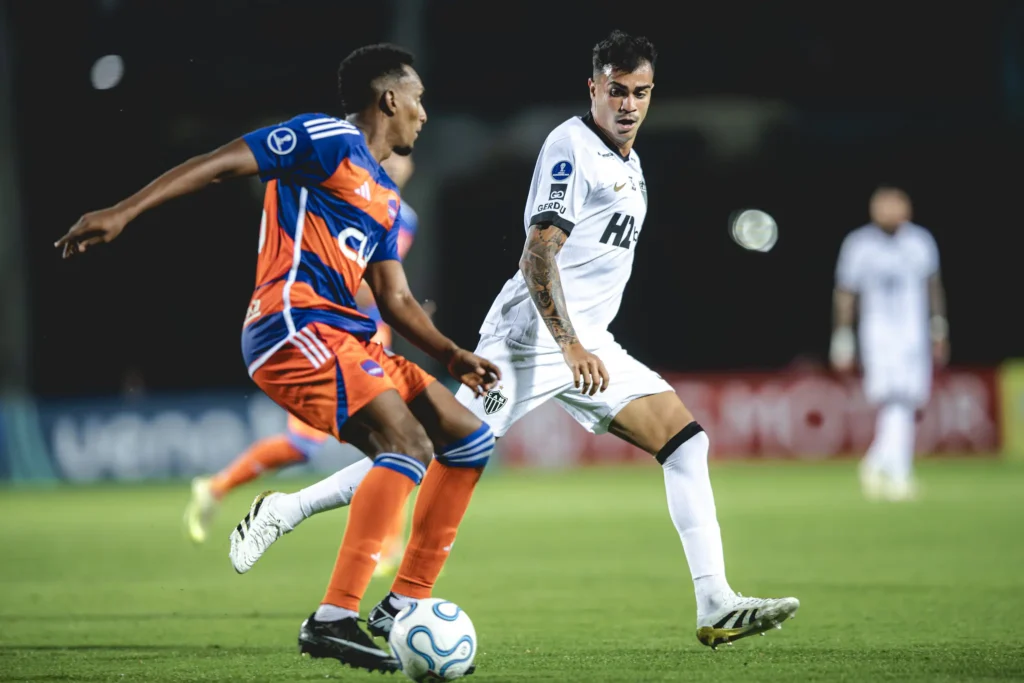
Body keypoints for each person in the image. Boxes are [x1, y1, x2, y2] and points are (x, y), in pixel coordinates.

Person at [225, 30, 800, 651]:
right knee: (434, 449)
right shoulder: (571, 147)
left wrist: (583, 344)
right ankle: (297, 519)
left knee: (686, 444)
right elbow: (538, 255)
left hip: (591, 344)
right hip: (531, 342)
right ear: (593, 88)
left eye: (641, 92)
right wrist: (569, 344)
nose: (629, 104)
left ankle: (715, 602)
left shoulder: (629, 163)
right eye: (617, 91)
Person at [56, 43, 500, 675]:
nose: (424, 114)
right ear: (389, 99)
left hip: (348, 334)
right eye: (419, 99)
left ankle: (403, 602)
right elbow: (218, 164)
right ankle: (333, 618)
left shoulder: (383, 194)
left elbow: (395, 298)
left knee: (468, 439)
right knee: (404, 444)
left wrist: (452, 355)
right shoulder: (323, 138)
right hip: (292, 325)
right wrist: (124, 212)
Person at [183, 153, 422, 578]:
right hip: (332, 336)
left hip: (368, 336)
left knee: (400, 437)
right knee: (344, 443)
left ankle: (386, 546)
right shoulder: (350, 199)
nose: (396, 164)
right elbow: (368, 288)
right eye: (389, 157)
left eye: (403, 159)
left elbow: (380, 286)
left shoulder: (403, 216)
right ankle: (221, 487)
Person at [830, 186, 949, 501]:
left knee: (908, 399)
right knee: (894, 398)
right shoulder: (859, 245)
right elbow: (845, 293)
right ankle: (897, 473)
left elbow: (933, 285)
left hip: (914, 333)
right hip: (878, 334)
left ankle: (878, 464)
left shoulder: (919, 242)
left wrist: (938, 327)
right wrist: (842, 338)